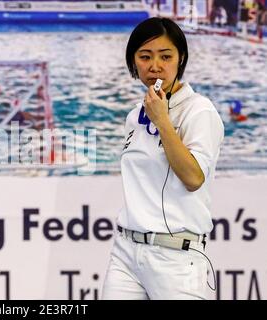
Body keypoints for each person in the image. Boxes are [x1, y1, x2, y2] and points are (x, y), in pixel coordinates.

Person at [101, 17, 224, 300]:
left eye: (165, 56)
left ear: (180, 60)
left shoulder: (199, 111)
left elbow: (193, 178)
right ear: (134, 62)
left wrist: (164, 122)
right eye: (145, 56)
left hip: (175, 256)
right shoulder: (134, 115)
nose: (155, 65)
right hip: (126, 252)